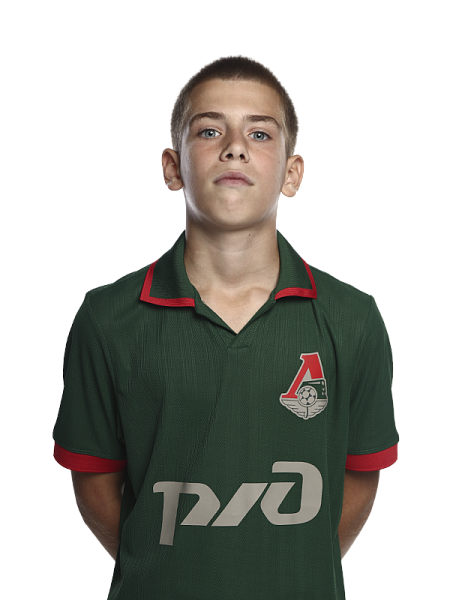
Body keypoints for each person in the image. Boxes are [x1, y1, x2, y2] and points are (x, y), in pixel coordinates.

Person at [52, 53, 399, 599]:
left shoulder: (352, 318)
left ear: (292, 173)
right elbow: (94, 484)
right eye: (210, 130)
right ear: (172, 167)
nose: (234, 147)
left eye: (259, 134)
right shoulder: (107, 317)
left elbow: (358, 478)